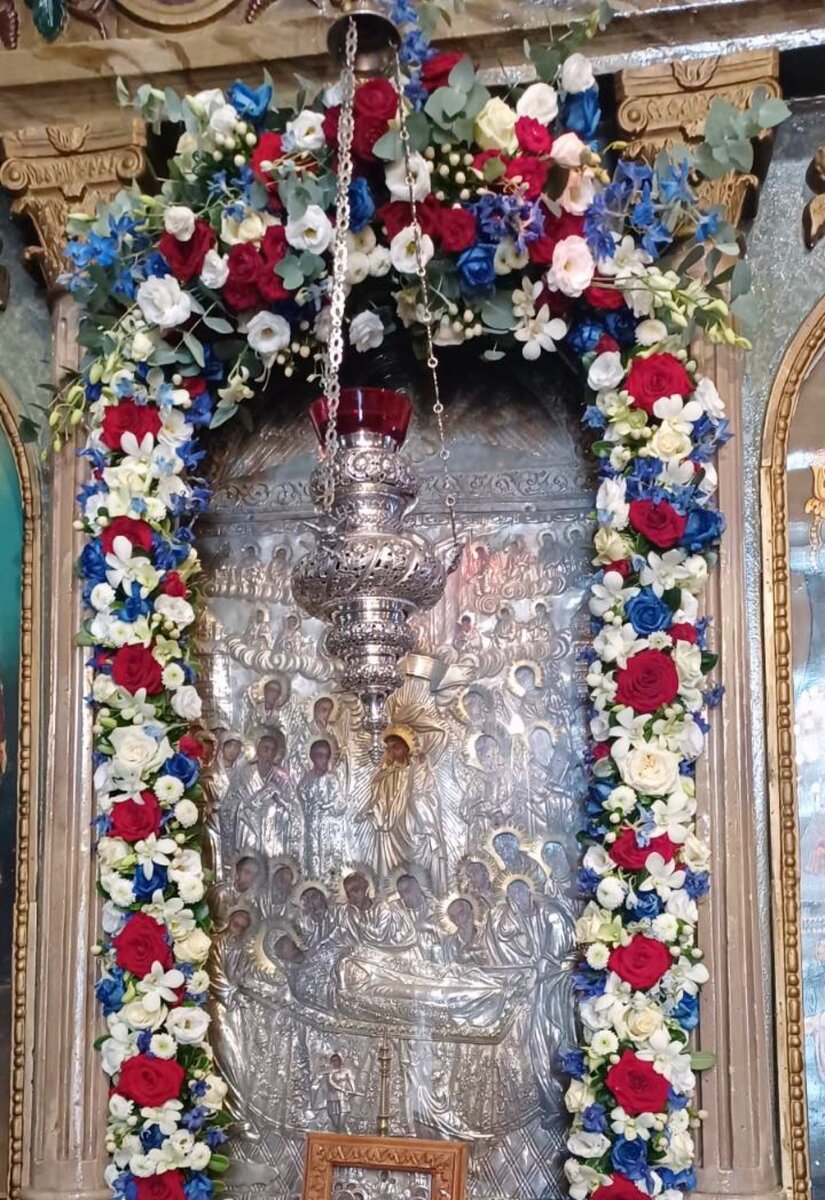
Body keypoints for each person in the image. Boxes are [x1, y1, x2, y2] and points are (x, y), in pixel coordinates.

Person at [360, 726, 449, 892]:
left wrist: (417, 801)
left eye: (397, 747)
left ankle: (426, 897)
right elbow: (379, 801)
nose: (392, 753)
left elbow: (429, 795)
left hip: (415, 829)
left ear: (407, 749)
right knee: (393, 875)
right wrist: (374, 812)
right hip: (391, 835)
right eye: (389, 749)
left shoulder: (418, 769)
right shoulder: (384, 776)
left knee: (419, 871)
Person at [230, 730, 300, 860]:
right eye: (265, 749)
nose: (269, 753)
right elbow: (234, 802)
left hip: (273, 832)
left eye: (273, 750)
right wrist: (259, 796)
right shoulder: (245, 774)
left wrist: (279, 800)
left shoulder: (282, 776)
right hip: (250, 829)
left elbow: (293, 806)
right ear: (257, 749)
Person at [298, 738, 349, 877]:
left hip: (329, 827)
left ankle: (331, 881)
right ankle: (314, 880)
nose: (323, 760)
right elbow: (301, 799)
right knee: (313, 855)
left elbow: (341, 802)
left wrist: (329, 805)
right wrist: (311, 805)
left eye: (326, 756)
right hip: (313, 826)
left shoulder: (332, 779)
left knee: (329, 858)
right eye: (320, 756)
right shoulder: (306, 780)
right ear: (313, 758)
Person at [211, 854, 264, 924]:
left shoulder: (253, 902)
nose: (250, 878)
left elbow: (253, 926)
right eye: (247, 872)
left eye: (254, 874)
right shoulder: (221, 893)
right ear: (238, 871)